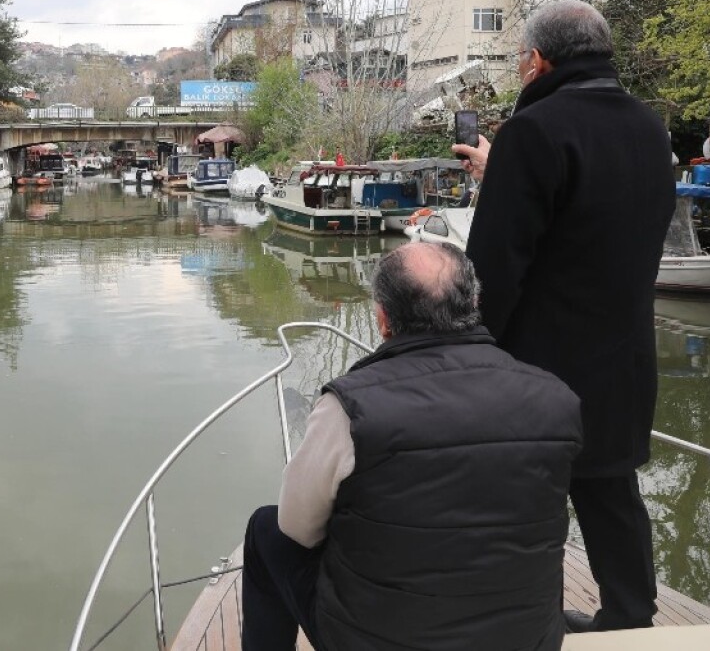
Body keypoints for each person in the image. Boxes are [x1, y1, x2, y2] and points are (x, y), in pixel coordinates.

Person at [452, 0, 675, 633]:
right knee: (610, 489)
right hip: (626, 354)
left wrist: (468, 354)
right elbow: (592, 214)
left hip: (542, 365)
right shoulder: (648, 126)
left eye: (522, 58)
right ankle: (630, 619)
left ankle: (530, 622)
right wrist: (508, 171)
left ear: (538, 60)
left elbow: (493, 265)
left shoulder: (535, 131)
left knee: (530, 500)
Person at [240, 242, 582, 651]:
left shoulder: (350, 406)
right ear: (473, 301)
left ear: (383, 319)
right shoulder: (556, 398)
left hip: (377, 640)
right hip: (528, 640)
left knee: (267, 528)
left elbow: (298, 527)